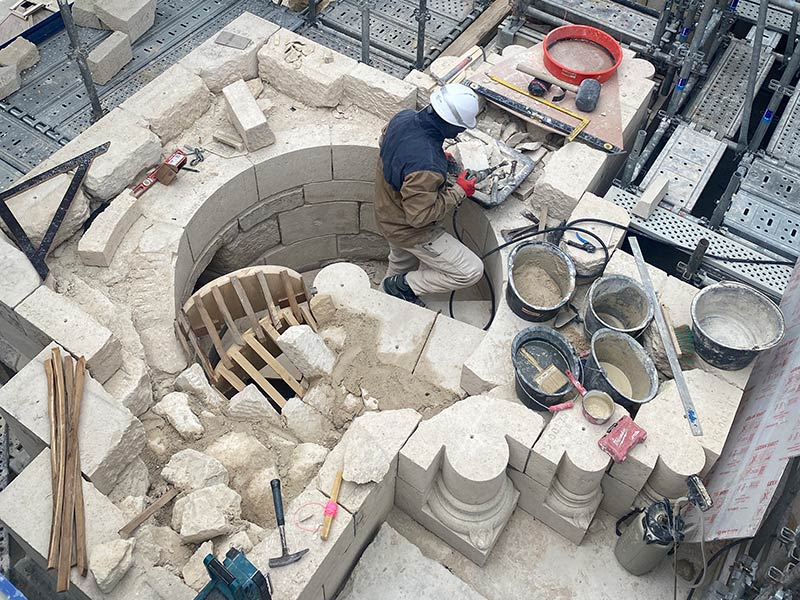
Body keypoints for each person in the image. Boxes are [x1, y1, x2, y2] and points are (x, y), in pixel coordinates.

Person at [374, 83, 484, 307]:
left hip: (387, 211)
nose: (461, 133)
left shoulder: (404, 117)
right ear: (450, 124)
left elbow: (385, 142)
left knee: (400, 262)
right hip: (407, 229)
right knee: (470, 271)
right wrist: (460, 190)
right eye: (460, 128)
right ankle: (402, 286)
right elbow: (419, 218)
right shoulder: (426, 166)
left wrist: (434, 153)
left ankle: (382, 301)